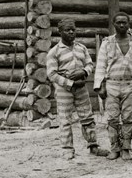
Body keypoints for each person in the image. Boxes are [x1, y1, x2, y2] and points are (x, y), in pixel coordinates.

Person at [46, 19, 108, 159]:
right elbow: (51, 74)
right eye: (68, 30)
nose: (71, 32)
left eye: (73, 29)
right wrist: (70, 83)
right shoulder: (54, 52)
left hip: (81, 88)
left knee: (87, 117)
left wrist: (84, 72)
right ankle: (67, 149)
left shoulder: (81, 48)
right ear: (60, 32)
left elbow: (90, 64)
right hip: (64, 90)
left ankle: (93, 147)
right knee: (65, 120)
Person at [95, 12, 132, 161]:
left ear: (129, 24)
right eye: (119, 23)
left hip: (130, 84)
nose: (122, 25)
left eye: (125, 22)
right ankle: (114, 148)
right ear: (114, 24)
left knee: (128, 118)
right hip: (112, 84)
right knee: (112, 118)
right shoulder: (107, 43)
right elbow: (101, 65)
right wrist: (100, 85)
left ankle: (126, 148)